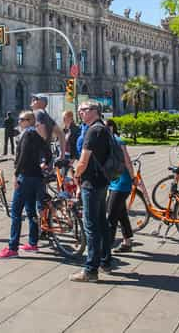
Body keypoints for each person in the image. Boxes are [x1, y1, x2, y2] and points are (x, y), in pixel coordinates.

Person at [70, 101, 112, 282]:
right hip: (102, 182)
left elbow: (83, 160)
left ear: (94, 111)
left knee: (91, 226)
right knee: (101, 223)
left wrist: (76, 175)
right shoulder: (103, 128)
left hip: (91, 183)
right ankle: (105, 261)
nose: (80, 113)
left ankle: (90, 270)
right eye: (79, 110)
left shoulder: (92, 131)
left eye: (84, 110)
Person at [0, 111, 46, 258]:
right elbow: (47, 152)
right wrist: (43, 164)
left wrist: (16, 175)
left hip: (25, 178)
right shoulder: (37, 134)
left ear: (29, 121)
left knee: (16, 213)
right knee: (31, 212)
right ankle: (32, 243)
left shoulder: (27, 135)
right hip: (37, 177)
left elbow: (22, 157)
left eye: (21, 119)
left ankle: (12, 248)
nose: (19, 121)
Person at [104, 119, 136, 256]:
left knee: (111, 216)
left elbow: (127, 160)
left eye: (105, 127)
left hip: (122, 182)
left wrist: (133, 177)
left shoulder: (117, 140)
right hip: (113, 182)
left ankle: (106, 250)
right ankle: (127, 242)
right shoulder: (107, 141)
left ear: (111, 128)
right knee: (121, 213)